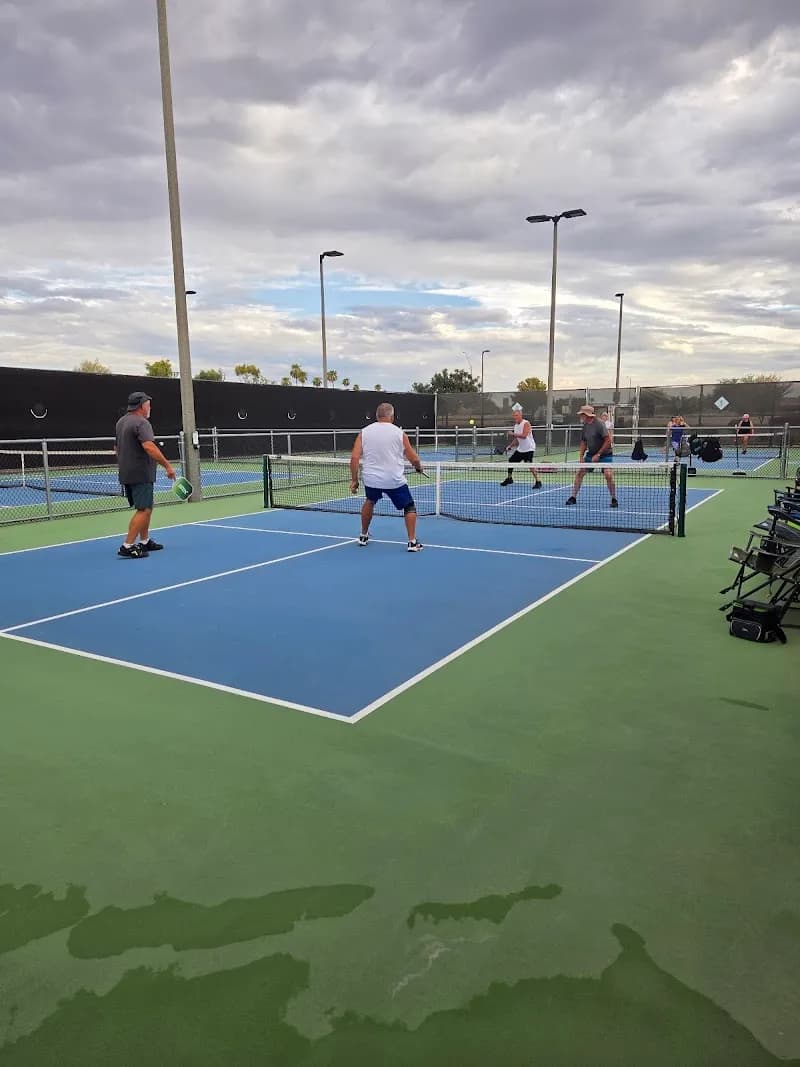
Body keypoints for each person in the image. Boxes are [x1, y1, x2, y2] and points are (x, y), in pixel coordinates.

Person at [349, 402, 424, 551]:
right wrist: (418, 467)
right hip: (393, 479)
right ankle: (412, 542)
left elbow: (354, 458)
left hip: (371, 479)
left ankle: (363, 535)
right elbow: (413, 458)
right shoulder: (399, 433)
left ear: (377, 416)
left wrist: (354, 480)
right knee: (409, 506)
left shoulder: (364, 432)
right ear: (392, 416)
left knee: (370, 501)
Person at [115, 391, 176, 558]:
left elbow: (116, 448)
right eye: (148, 405)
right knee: (144, 510)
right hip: (140, 473)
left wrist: (125, 463)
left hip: (127, 472)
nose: (150, 408)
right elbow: (149, 446)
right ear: (141, 406)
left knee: (147, 508)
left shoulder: (121, 422)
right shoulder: (142, 423)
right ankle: (127, 546)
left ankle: (144, 541)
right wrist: (167, 466)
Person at [565, 404, 617, 507]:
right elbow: (584, 442)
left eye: (582, 414)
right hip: (591, 454)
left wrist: (598, 454)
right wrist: (581, 456)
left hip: (605, 454)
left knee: (608, 475)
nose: (580, 416)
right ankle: (573, 497)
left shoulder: (600, 424)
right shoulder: (585, 425)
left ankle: (614, 499)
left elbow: (608, 441)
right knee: (580, 473)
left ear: (587, 415)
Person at [500, 405, 542, 488]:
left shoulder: (526, 423)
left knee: (529, 464)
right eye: (514, 415)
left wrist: (512, 434)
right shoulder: (516, 426)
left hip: (529, 448)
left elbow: (524, 436)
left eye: (516, 415)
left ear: (520, 415)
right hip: (521, 449)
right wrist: (510, 446)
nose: (515, 417)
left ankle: (538, 481)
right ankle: (509, 478)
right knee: (511, 460)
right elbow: (517, 439)